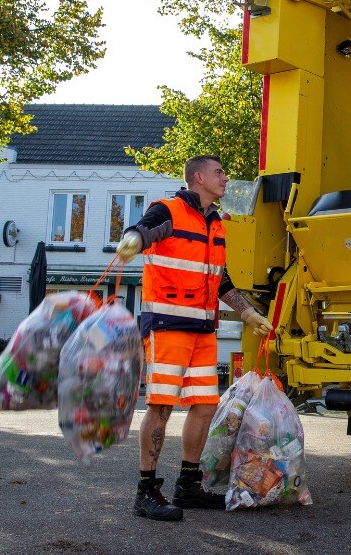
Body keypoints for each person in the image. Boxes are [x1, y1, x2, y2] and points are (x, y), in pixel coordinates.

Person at [115, 155, 273, 521]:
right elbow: (141, 229)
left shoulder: (216, 223)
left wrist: (248, 313)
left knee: (204, 406)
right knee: (162, 406)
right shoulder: (168, 211)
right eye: (219, 172)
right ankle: (146, 491)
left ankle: (187, 486)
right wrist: (132, 240)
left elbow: (221, 279)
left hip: (202, 330)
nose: (225, 177)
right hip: (167, 326)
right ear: (198, 178)